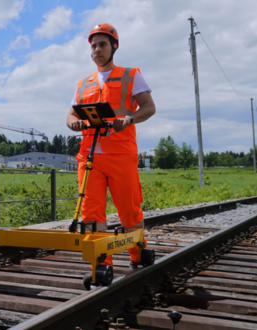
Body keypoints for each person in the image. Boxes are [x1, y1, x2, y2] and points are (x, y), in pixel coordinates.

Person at [66, 23, 156, 269]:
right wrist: (74, 124)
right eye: (94, 45)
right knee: (91, 214)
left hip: (121, 154)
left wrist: (129, 119)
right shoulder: (83, 84)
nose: (97, 50)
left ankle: (138, 253)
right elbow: (71, 116)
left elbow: (149, 107)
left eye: (103, 44)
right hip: (90, 157)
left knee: (129, 210)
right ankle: (102, 263)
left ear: (114, 46)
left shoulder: (131, 75)